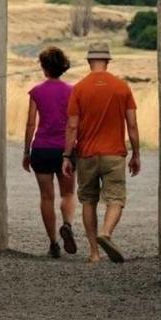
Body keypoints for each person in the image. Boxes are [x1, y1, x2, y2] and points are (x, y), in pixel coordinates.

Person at [61, 42, 141, 264]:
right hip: (114, 154)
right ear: (107, 61)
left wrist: (67, 156)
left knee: (88, 201)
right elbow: (132, 125)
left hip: (87, 154)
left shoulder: (79, 88)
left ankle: (94, 253)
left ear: (88, 62)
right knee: (115, 199)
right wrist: (136, 154)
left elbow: (72, 126)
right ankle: (106, 232)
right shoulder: (122, 87)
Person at [23, 47, 78, 258]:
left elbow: (30, 124)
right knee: (68, 193)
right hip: (65, 149)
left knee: (46, 197)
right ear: (62, 66)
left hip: (42, 148)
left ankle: (54, 243)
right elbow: (74, 123)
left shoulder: (36, 92)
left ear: (44, 67)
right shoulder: (72, 91)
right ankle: (67, 224)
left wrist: (26, 151)